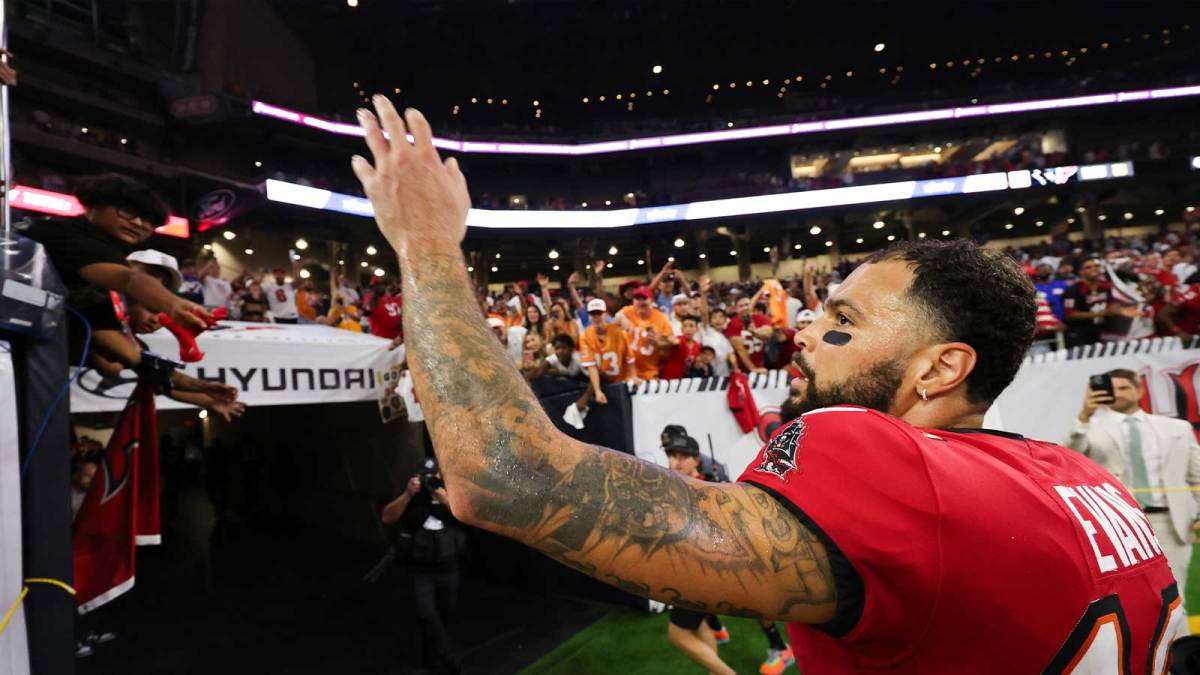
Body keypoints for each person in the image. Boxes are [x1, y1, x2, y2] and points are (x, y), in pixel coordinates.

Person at [352, 101, 1182, 672]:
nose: (808, 330)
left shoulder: (883, 460)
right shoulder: (1089, 482)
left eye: (845, 322)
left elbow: (502, 474)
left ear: (940, 368)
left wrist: (425, 243)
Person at [17, 173, 210, 371]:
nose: (138, 223)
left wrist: (196, 388)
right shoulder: (71, 236)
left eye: (149, 221)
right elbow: (129, 280)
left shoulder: (102, 255)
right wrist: (175, 305)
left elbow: (110, 350)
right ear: (92, 204)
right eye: (126, 211)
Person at [1065, 369, 1200, 612]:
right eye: (1111, 389)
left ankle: (1178, 650)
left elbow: (1197, 475)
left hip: (1170, 523)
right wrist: (1084, 415)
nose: (1117, 393)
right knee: (1130, 599)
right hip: (1119, 527)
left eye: (1124, 387)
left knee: (1175, 596)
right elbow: (1068, 461)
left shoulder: (1177, 428)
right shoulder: (1089, 428)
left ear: (1139, 391)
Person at [660, 433, 736, 675]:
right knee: (699, 626)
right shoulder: (672, 489)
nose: (676, 461)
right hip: (686, 572)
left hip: (704, 574)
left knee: (678, 635)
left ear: (696, 460)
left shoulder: (709, 488)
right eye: (672, 455)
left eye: (683, 457)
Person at [381, 458, 465, 674]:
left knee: (444, 614)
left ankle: (431, 655)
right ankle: (451, 661)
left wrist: (442, 496)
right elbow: (387, 517)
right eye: (426, 477)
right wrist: (408, 494)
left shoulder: (448, 491)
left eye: (434, 477)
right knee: (427, 613)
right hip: (420, 570)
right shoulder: (412, 495)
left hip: (448, 566)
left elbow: (465, 516)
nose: (430, 481)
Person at [578, 298, 635, 404]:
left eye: (599, 313)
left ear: (606, 314)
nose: (596, 317)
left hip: (622, 381)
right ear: (589, 316)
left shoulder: (619, 332)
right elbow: (591, 366)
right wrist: (597, 391)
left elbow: (629, 358)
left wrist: (633, 377)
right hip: (604, 381)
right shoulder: (585, 336)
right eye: (592, 313)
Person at [615, 286, 675, 380]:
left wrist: (659, 343)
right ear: (633, 301)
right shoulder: (627, 311)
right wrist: (620, 318)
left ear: (651, 300)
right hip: (627, 373)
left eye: (644, 299)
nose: (641, 302)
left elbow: (669, 350)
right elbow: (616, 318)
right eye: (637, 299)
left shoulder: (661, 318)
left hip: (650, 373)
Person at [725, 295, 772, 373]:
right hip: (743, 369)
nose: (745, 308)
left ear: (751, 306)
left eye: (747, 305)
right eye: (741, 306)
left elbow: (768, 334)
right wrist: (753, 369)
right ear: (736, 309)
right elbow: (740, 349)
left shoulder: (761, 318)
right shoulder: (732, 324)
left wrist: (754, 332)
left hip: (764, 364)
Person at [659, 315, 701, 380]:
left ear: (696, 329)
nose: (688, 329)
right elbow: (673, 341)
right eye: (685, 326)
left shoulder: (698, 346)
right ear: (681, 329)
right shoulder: (679, 339)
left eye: (691, 326)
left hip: (684, 381)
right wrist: (668, 338)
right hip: (668, 380)